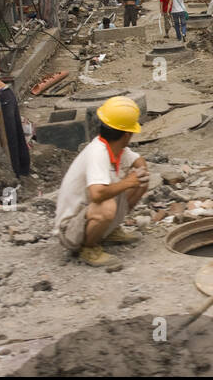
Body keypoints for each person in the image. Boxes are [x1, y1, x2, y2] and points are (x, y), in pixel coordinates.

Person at [55, 96, 149, 269]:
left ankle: (108, 231)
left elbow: (138, 160)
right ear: (127, 134)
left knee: (141, 182)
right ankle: (88, 248)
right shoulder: (98, 152)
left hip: (85, 215)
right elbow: (96, 194)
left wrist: (141, 172)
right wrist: (128, 182)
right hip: (70, 230)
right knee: (106, 205)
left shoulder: (116, 148)